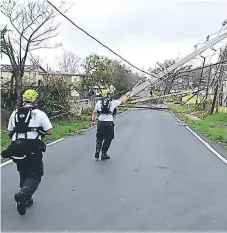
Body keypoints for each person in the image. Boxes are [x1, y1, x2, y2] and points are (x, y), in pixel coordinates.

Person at [1, 89, 54, 215]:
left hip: (16, 148)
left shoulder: (15, 113)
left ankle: (27, 198)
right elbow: (50, 131)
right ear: (35, 100)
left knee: (23, 171)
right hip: (32, 149)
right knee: (36, 174)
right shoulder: (40, 114)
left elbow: (10, 130)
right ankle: (23, 195)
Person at [91, 89, 130, 160]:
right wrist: (126, 95)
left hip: (101, 123)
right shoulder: (113, 102)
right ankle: (104, 153)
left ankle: (97, 150)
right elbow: (122, 102)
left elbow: (94, 112)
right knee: (109, 138)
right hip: (109, 123)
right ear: (108, 95)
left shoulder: (98, 103)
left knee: (99, 138)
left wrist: (93, 121)